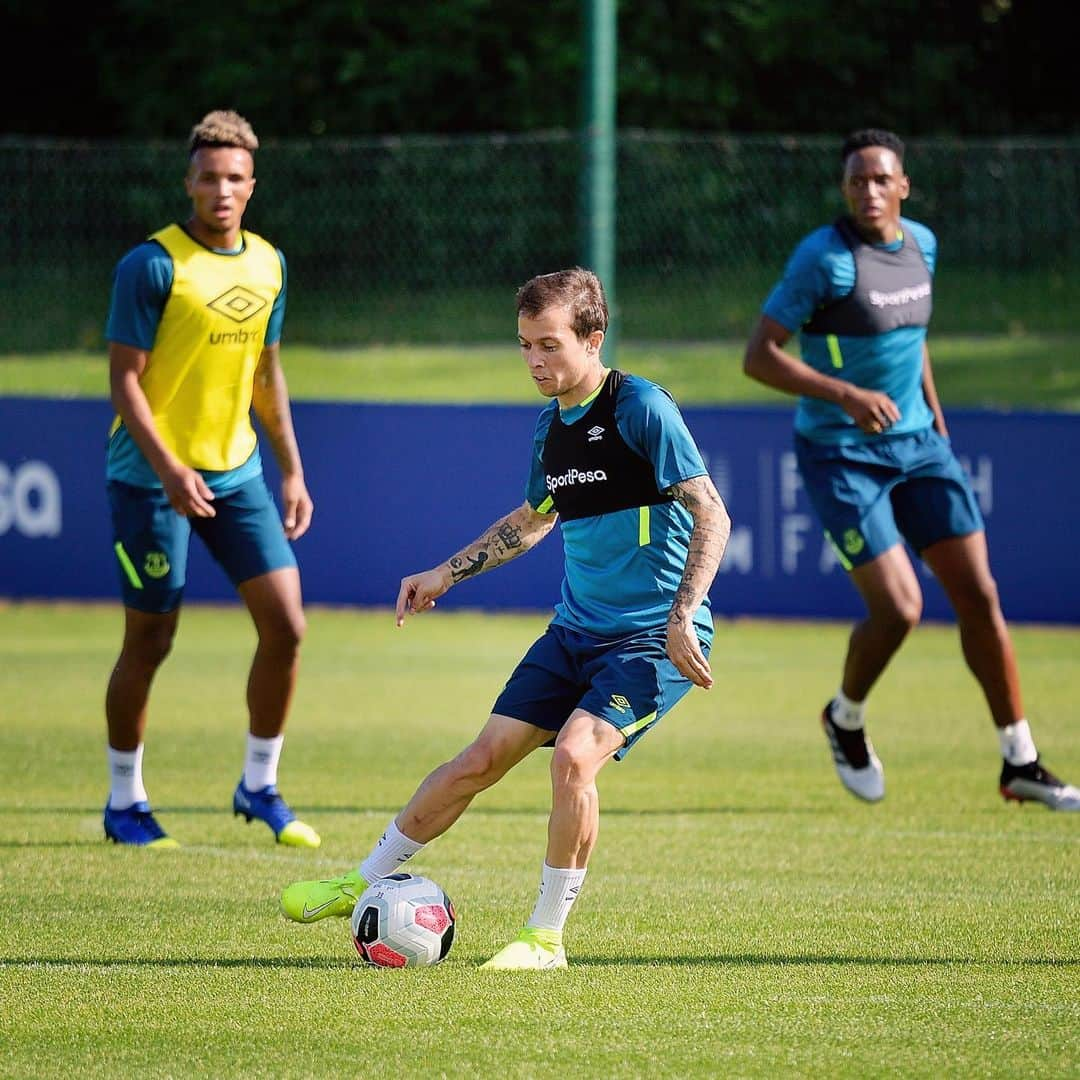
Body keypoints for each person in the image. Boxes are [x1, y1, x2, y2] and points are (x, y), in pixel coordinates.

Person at [279, 267, 732, 968]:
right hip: (574, 632)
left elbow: (711, 511)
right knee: (479, 760)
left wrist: (682, 616)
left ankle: (546, 937)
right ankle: (359, 882)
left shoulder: (640, 408)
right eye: (524, 346)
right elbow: (530, 522)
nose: (534, 362)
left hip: (651, 638)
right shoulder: (550, 428)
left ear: (592, 337)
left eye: (548, 345)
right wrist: (444, 573)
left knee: (577, 756)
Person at [743, 127, 1078, 811]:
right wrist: (846, 396)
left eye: (880, 178)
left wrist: (932, 406)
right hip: (841, 453)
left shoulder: (922, 245)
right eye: (856, 180)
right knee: (899, 609)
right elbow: (760, 355)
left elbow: (911, 338)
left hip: (922, 447)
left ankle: (1021, 760)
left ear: (903, 186)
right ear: (844, 190)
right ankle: (845, 717)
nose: (868, 190)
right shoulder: (824, 259)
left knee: (979, 596)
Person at [102, 109, 321, 848]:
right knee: (151, 640)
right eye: (208, 177)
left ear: (251, 185)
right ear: (188, 182)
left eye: (234, 178)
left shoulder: (270, 264)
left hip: (237, 475)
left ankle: (259, 785)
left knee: (287, 627)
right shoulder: (152, 265)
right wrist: (168, 468)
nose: (220, 189)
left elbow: (266, 371)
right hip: (148, 479)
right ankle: (124, 802)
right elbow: (125, 381)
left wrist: (291, 469)